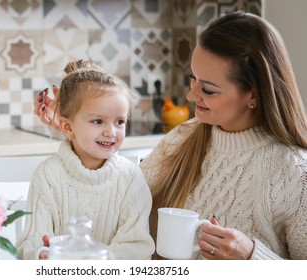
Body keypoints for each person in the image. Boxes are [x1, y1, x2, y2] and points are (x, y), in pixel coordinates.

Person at [33, 11, 307, 260]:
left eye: (208, 90)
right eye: (193, 79)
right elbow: (121, 194)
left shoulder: (293, 171)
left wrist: (252, 257)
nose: (191, 96)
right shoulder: (184, 137)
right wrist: (80, 134)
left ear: (253, 95)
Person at [16, 59, 155, 260]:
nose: (111, 132)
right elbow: (31, 242)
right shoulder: (47, 176)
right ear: (67, 127)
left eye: (119, 121)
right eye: (98, 121)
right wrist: (40, 254)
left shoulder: (131, 177)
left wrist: (93, 261)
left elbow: (136, 247)